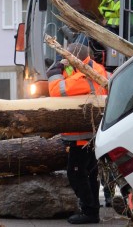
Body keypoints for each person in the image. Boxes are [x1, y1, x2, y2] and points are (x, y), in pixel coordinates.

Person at [48, 42, 109, 225]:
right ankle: (92, 211)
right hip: (90, 133)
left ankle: (89, 210)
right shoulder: (95, 68)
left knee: (75, 173)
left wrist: (54, 71)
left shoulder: (84, 76)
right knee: (90, 173)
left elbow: (55, 90)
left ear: (74, 60)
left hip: (80, 135)